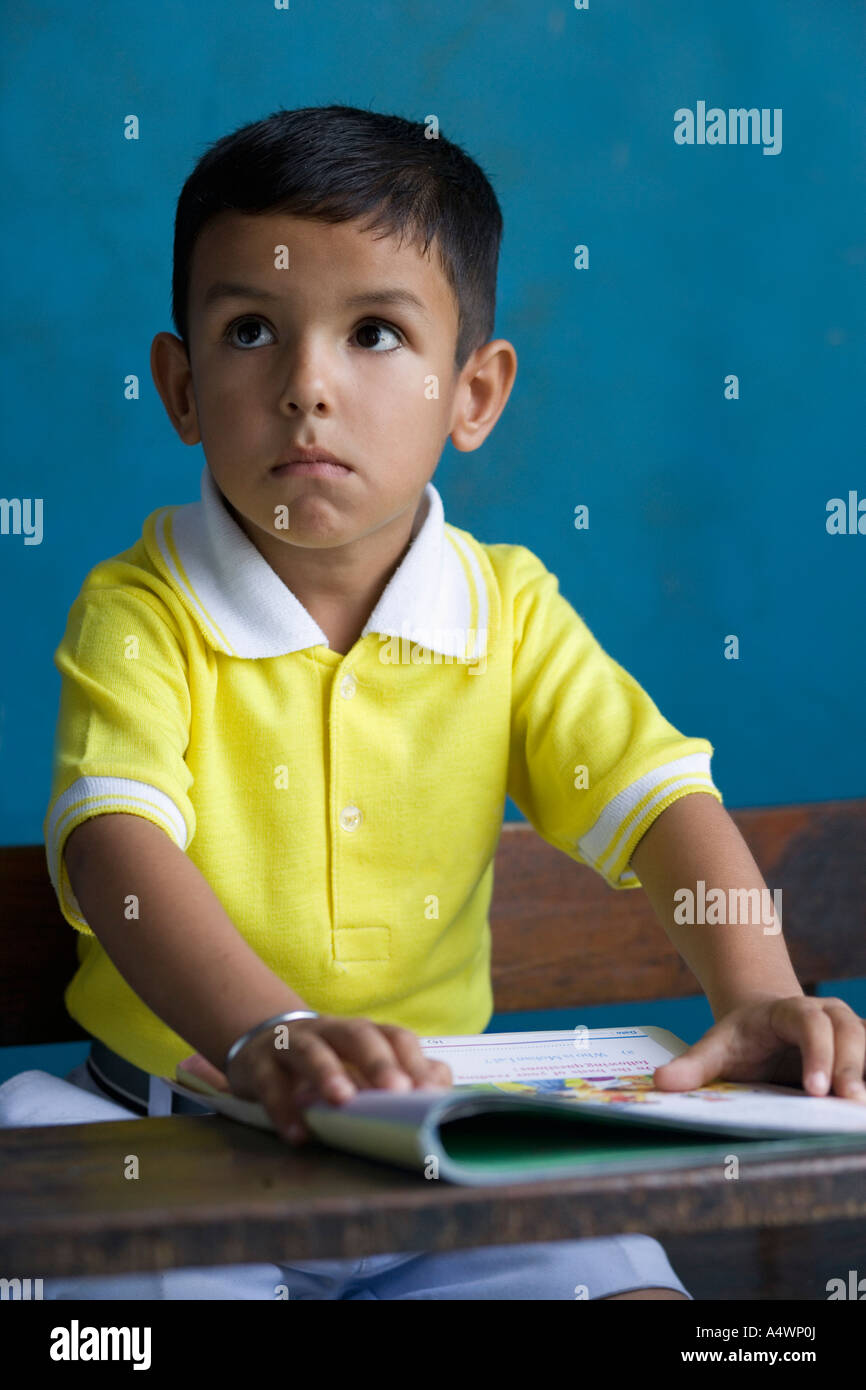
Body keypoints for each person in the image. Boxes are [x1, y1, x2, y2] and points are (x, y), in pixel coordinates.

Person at [17, 104, 863, 1301]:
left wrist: (760, 995)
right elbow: (116, 846)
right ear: (181, 385)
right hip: (175, 1138)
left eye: (372, 332)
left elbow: (660, 798)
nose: (307, 385)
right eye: (251, 330)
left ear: (472, 392)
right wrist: (267, 1040)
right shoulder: (143, 610)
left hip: (442, 1159)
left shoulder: (507, 615)